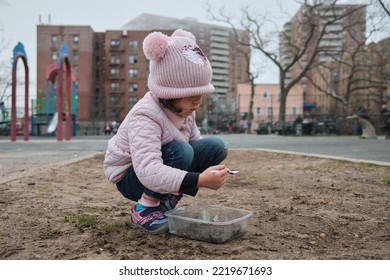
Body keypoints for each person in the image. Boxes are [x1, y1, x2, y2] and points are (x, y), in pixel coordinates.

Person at [103, 29, 229, 234]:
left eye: (201, 93)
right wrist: (198, 180)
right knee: (182, 150)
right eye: (191, 95)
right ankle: (145, 207)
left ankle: (166, 197)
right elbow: (148, 169)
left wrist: (211, 169)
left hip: (163, 160)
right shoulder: (145, 115)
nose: (198, 101)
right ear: (169, 93)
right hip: (132, 176)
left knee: (216, 146)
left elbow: (195, 140)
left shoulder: (186, 108)